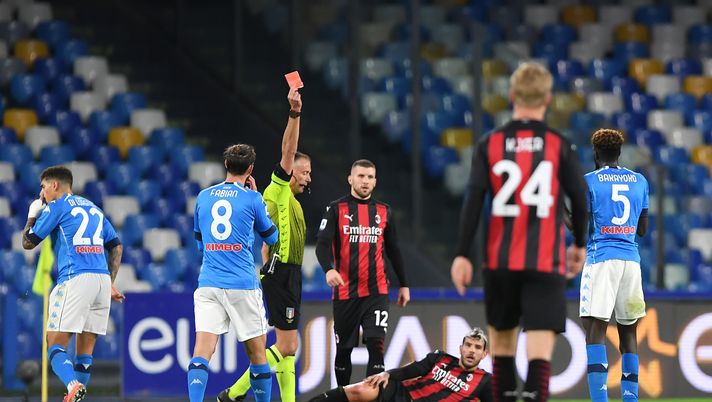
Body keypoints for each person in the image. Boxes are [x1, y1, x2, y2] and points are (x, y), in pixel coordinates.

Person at [450, 62, 589, 402]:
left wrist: (462, 254)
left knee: (502, 352)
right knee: (539, 355)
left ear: (512, 96)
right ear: (548, 99)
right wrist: (579, 244)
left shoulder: (490, 143)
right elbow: (579, 197)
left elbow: (473, 200)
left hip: (500, 262)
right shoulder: (558, 144)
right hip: (545, 262)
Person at [219, 87, 310, 402]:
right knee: (286, 346)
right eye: (304, 172)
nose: (308, 178)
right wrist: (294, 113)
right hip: (281, 272)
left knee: (289, 348)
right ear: (291, 171)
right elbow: (288, 150)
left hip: (287, 273)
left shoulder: (280, 198)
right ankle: (233, 394)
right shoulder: (278, 189)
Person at [22, 166, 124, 402]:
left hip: (75, 278)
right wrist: (110, 282)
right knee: (85, 352)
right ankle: (78, 394)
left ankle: (72, 384)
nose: (42, 193)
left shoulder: (57, 206)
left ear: (55, 185)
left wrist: (32, 215)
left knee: (54, 344)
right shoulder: (94, 208)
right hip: (101, 281)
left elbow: (28, 242)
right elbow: (116, 246)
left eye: (43, 187)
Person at [188, 144, 279, 402]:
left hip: (209, 283)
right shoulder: (252, 198)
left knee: (201, 352)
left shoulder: (203, 196)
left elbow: (200, 244)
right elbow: (272, 237)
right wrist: (257, 199)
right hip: (242, 285)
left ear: (226, 165)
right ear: (250, 168)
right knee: (258, 355)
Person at [315, 159, 410, 387]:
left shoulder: (384, 211)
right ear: (350, 179)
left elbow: (394, 250)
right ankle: (343, 395)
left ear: (375, 181)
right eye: (360, 176)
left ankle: (373, 398)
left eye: (370, 177)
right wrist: (328, 269)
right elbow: (322, 245)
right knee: (343, 351)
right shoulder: (336, 209)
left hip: (377, 291)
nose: (365, 181)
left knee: (377, 346)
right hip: (345, 292)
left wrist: (404, 284)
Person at [579, 129, 648, 402]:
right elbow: (642, 229)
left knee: (594, 330)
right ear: (619, 152)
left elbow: (579, 227)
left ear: (596, 153)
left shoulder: (590, 181)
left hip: (602, 258)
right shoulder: (639, 181)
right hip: (631, 261)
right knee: (628, 333)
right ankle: (630, 399)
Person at [307, 327, 492, 402]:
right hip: (402, 393)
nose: (471, 351)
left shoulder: (485, 381)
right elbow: (413, 369)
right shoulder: (441, 358)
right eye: (468, 345)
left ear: (484, 354)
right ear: (461, 348)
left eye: (477, 347)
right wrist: (387, 374)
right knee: (362, 389)